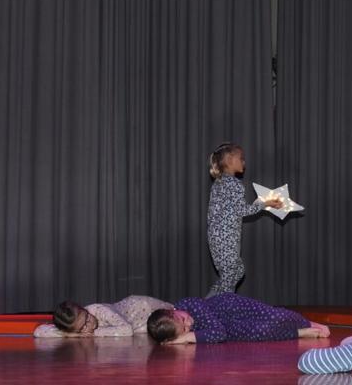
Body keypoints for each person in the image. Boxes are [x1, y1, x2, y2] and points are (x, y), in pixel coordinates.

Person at [206, 142, 282, 296]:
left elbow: (227, 210)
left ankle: (207, 303)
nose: (244, 162)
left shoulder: (218, 183)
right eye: (241, 158)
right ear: (229, 160)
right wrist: (264, 204)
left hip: (217, 237)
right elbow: (242, 210)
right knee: (230, 275)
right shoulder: (234, 184)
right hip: (226, 238)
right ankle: (225, 306)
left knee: (236, 271)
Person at [147, 292, 328, 344]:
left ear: (174, 310)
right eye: (184, 330)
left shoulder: (190, 304)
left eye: (182, 319)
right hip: (229, 328)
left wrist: (186, 337)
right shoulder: (184, 329)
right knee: (261, 332)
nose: (188, 325)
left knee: (274, 315)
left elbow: (217, 333)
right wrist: (184, 337)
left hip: (233, 307)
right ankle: (299, 332)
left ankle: (307, 322)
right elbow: (220, 334)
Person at [33, 296, 172, 337]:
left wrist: (93, 333)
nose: (89, 324)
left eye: (87, 318)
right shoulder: (73, 327)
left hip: (143, 308)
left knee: (174, 312)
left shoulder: (98, 310)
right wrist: (71, 335)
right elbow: (38, 331)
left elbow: (127, 330)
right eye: (83, 327)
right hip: (140, 325)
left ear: (85, 309)